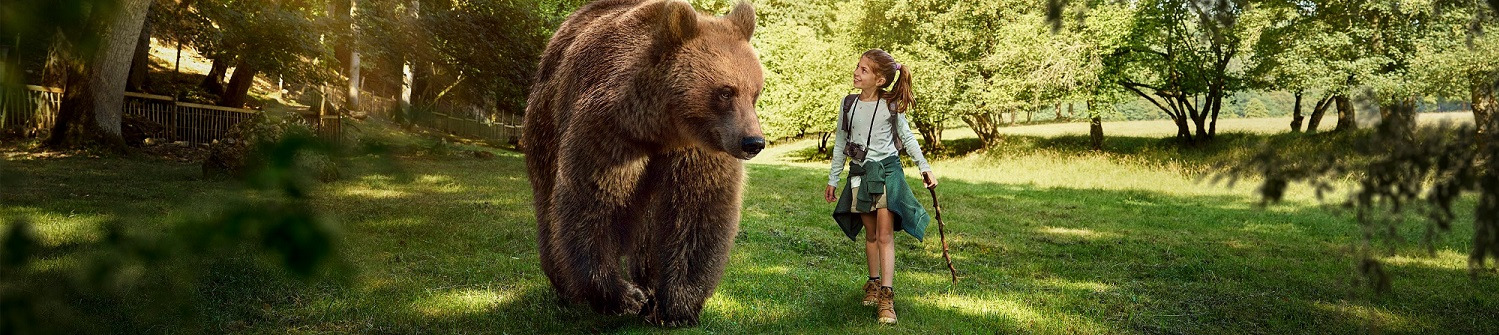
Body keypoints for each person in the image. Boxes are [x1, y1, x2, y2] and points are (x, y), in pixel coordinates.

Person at [823, 48, 936, 325]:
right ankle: (873, 283)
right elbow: (840, 142)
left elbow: (907, 138)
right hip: (860, 175)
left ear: (880, 80)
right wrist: (833, 178)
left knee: (885, 236)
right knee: (871, 235)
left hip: (886, 173)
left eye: (864, 70)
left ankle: (887, 296)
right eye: (857, 67)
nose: (856, 72)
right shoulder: (848, 104)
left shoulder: (889, 105)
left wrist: (924, 166)